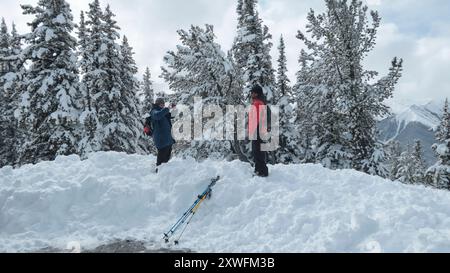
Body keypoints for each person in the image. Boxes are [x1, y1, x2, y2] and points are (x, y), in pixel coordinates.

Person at [249, 85, 269, 177]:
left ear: (256, 93)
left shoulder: (257, 103)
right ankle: (259, 170)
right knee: (259, 150)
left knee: (257, 151)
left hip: (257, 129)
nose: (251, 94)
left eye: (253, 92)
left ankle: (262, 171)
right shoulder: (260, 102)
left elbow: (255, 118)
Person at [150, 98, 175, 171]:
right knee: (161, 160)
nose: (163, 105)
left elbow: (173, 115)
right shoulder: (154, 111)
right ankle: (157, 174)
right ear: (157, 104)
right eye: (161, 104)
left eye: (163, 104)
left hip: (167, 139)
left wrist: (173, 109)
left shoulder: (163, 112)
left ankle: (164, 174)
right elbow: (157, 116)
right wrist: (167, 109)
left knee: (166, 159)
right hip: (161, 140)